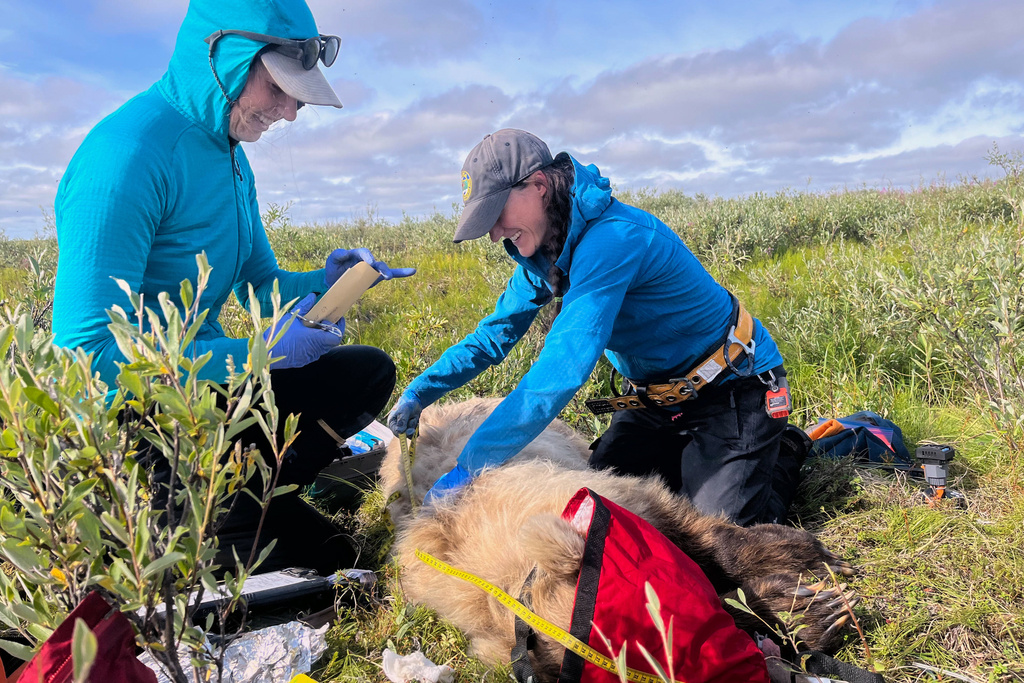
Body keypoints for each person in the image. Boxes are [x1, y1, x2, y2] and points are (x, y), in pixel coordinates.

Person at [53, 0, 413, 575]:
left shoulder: (229, 154)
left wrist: (328, 282)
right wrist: (259, 353)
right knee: (333, 561)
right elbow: (85, 351)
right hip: (139, 421)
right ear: (221, 55)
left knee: (366, 372)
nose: (290, 111)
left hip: (207, 392)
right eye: (279, 88)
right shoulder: (125, 156)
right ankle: (192, 516)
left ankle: (244, 498)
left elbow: (262, 285)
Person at [388, 128, 801, 526]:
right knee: (601, 511)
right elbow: (491, 338)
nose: (495, 235)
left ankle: (783, 449)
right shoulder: (543, 254)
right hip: (656, 402)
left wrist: (471, 465)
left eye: (496, 214)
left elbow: (562, 368)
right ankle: (704, 458)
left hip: (732, 389)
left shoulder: (615, 239)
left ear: (538, 185)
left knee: (714, 534)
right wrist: (419, 392)